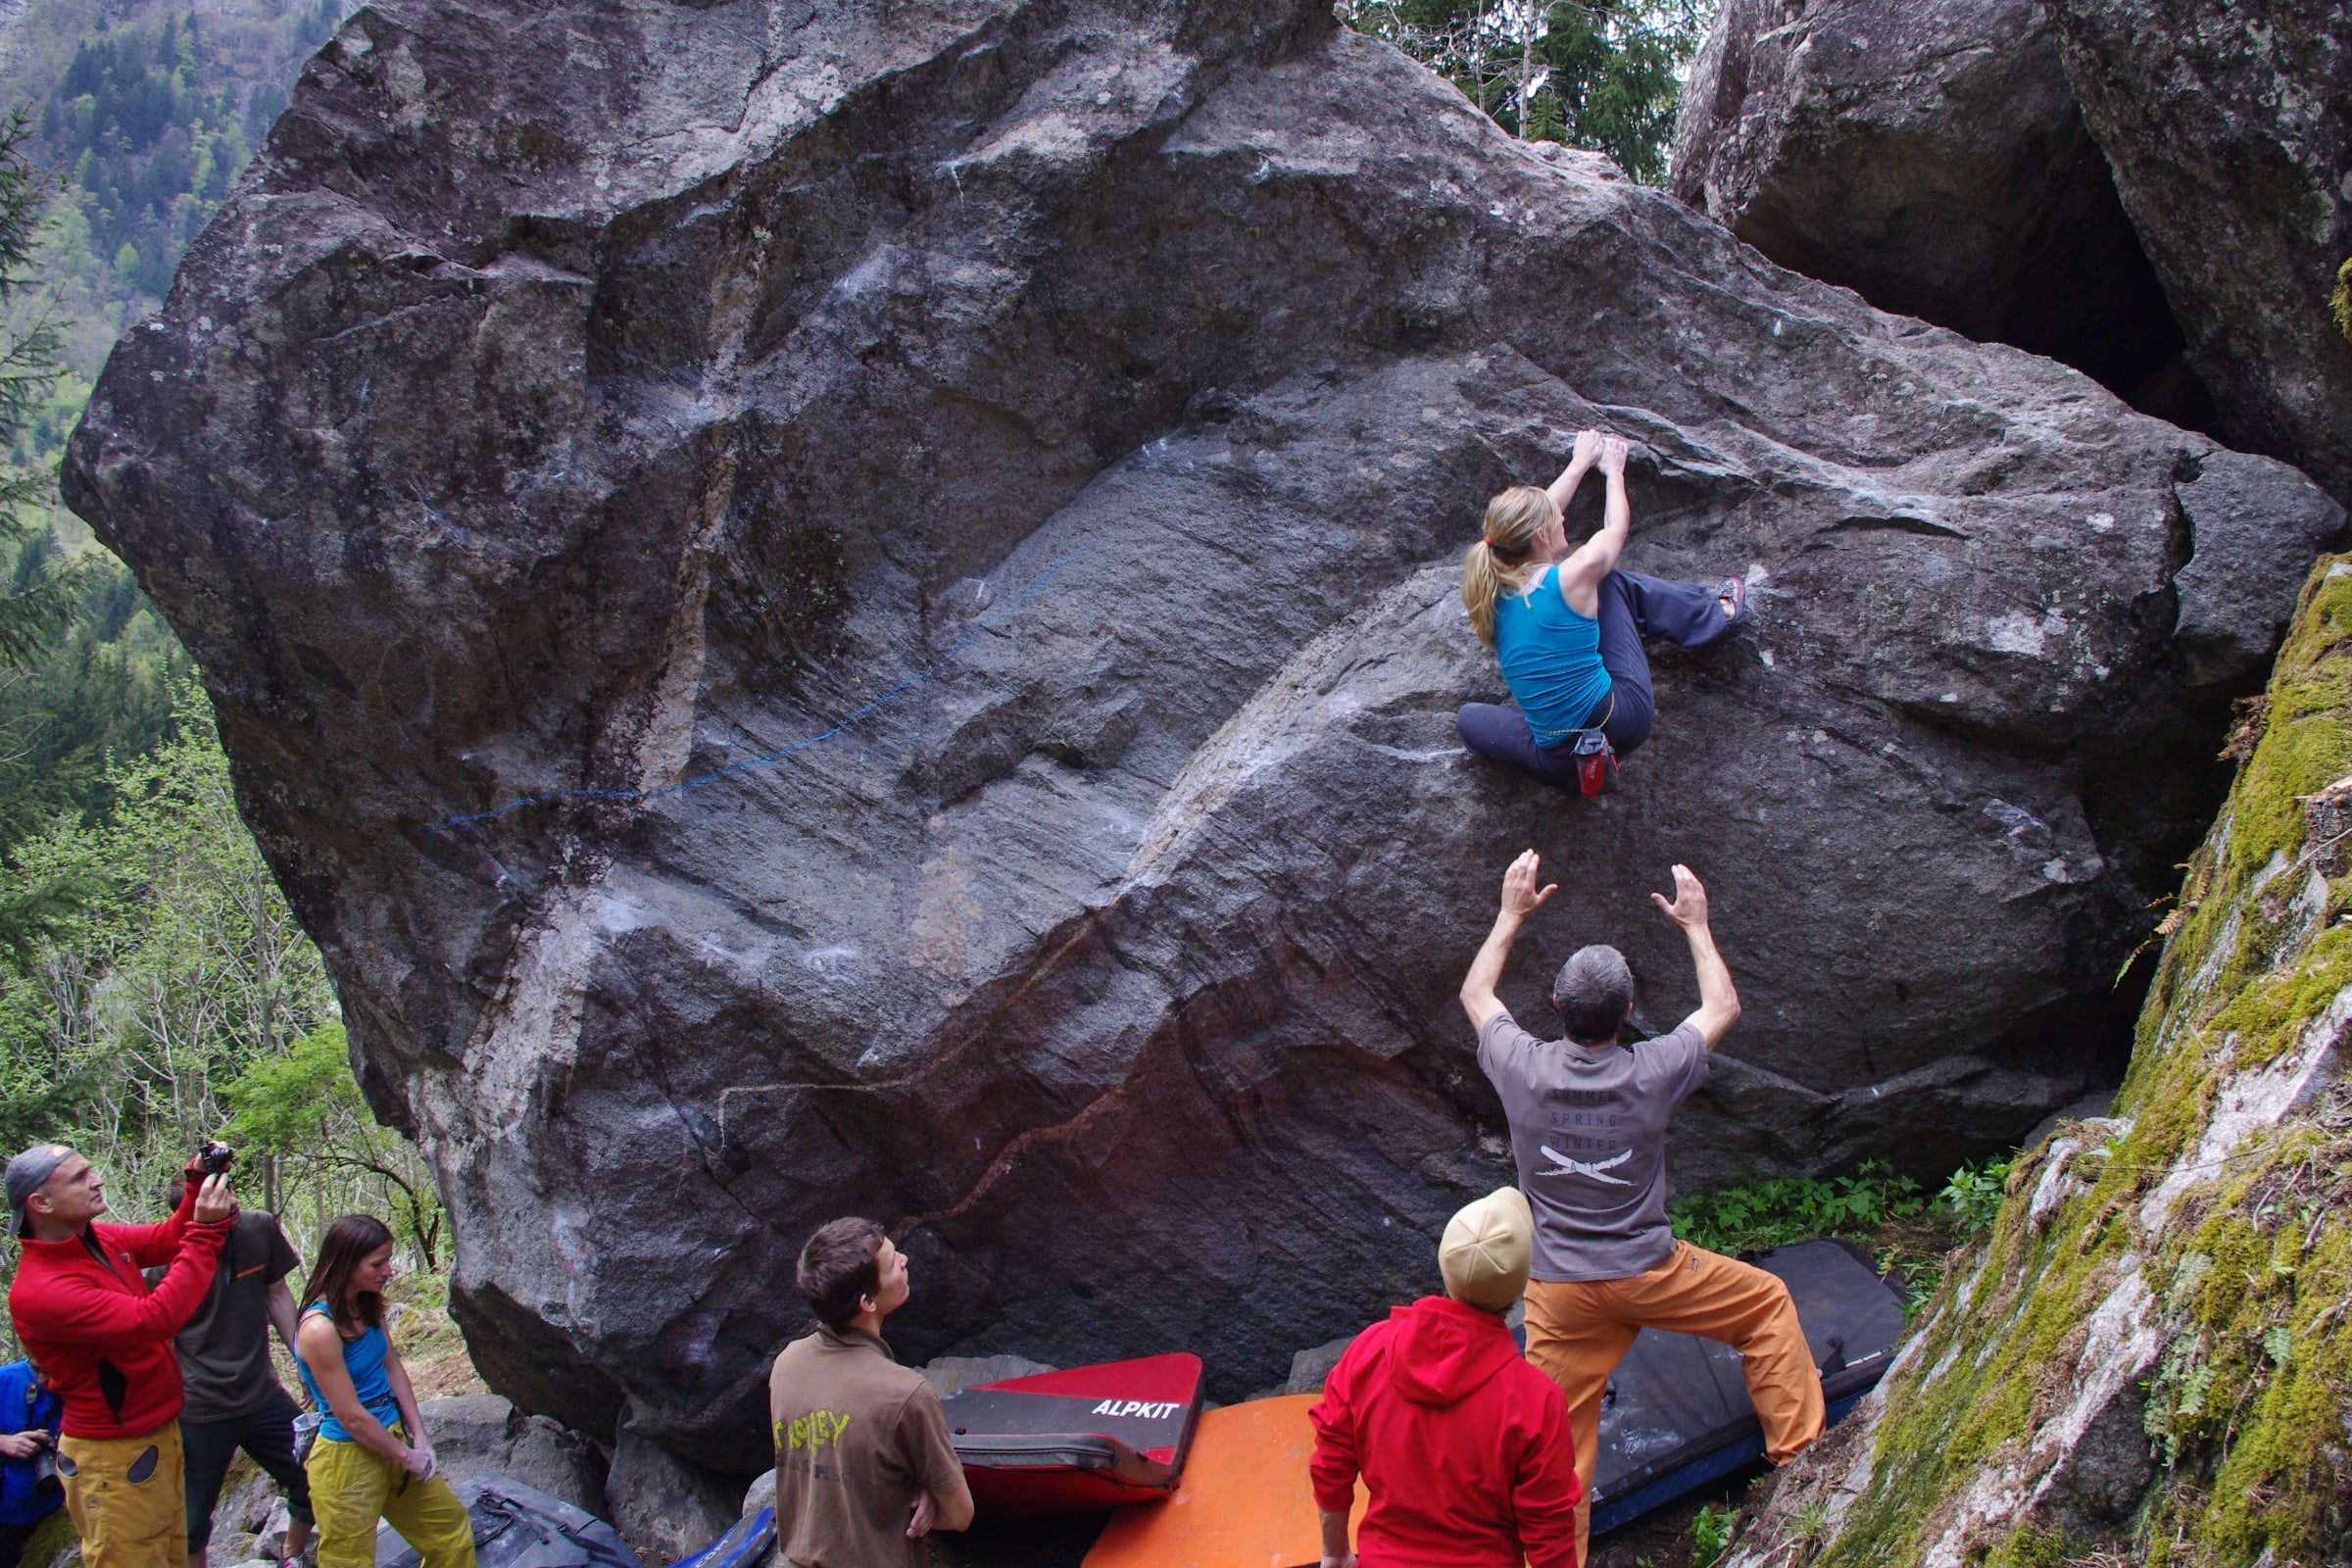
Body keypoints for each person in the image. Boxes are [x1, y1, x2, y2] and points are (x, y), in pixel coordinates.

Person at [1458, 852, 1823, 1562]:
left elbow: (1476, 994)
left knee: (1556, 1466)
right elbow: (1723, 1007)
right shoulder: (1654, 1069)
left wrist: (1510, 915)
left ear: (1558, 1007)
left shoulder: (1521, 1067)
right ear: (1629, 1015)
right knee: (1767, 1306)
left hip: (1559, 1293)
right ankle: (1804, 1469)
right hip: (1652, 1272)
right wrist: (1696, 925)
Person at [1456, 430, 1750, 789]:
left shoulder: (1490, 587)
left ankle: (1579, 770)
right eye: (1556, 518)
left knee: (1469, 720)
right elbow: (1616, 528)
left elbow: (1522, 526)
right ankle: (1716, 615)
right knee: (1611, 583)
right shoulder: (1576, 576)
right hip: (1620, 722)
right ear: (1540, 536)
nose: (1562, 519)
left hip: (1557, 759)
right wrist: (1613, 472)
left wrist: (1579, 463)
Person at [1307, 1187, 1582, 1568]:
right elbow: (1550, 1534)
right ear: (1519, 1289)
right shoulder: (1536, 1401)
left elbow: (1330, 1465)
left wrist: (1335, 1554)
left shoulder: (1368, 1353)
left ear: (1444, 1265)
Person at [5, 1145, 237, 1568]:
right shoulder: (42, 1289)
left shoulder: (95, 1240)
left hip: (156, 1434)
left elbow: (169, 1239)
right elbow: (155, 1318)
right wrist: (206, 1231)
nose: (97, 1181)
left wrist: (197, 1181)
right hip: (112, 1456)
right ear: (41, 1203)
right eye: (79, 1178)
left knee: (170, 1553)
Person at [767, 1218, 971, 1568]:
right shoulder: (906, 1395)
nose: (905, 1259)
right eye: (893, 1262)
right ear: (868, 1302)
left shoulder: (786, 1364)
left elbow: (835, 1467)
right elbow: (960, 1515)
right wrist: (928, 1496)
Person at [291, 1217, 472, 1568]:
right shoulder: (319, 1329)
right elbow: (351, 1416)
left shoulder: (366, 1304)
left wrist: (419, 1437)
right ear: (346, 1262)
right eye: (377, 1263)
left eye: (388, 1260)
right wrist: (406, 1457)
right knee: (349, 1562)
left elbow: (392, 1367)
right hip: (346, 1458)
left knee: (450, 1533)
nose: (388, 1271)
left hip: (391, 1437)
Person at [175, 1194, 315, 1568]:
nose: (232, 1204)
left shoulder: (258, 1227)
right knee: (191, 1520)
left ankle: (293, 1557)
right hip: (199, 1409)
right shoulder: (162, 1259)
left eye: (230, 1192)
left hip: (262, 1394)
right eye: (219, 1203)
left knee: (314, 1476)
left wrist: (303, 1360)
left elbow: (277, 1292)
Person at [0, 1360, 63, 1568]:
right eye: (38, 1370)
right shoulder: (7, 1379)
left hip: (51, 1512)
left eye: (50, 1371)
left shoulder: (82, 1387)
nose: (43, 1379)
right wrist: (4, 1442)